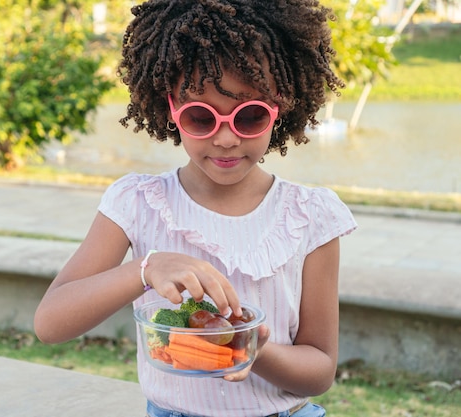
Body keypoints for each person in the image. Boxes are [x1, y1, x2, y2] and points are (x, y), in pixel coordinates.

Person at [34, 1, 357, 416]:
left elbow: (319, 372)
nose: (225, 139)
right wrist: (145, 269)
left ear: (281, 108)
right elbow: (50, 322)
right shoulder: (137, 203)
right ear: (171, 108)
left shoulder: (310, 216)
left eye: (250, 116)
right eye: (201, 118)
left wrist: (252, 348)